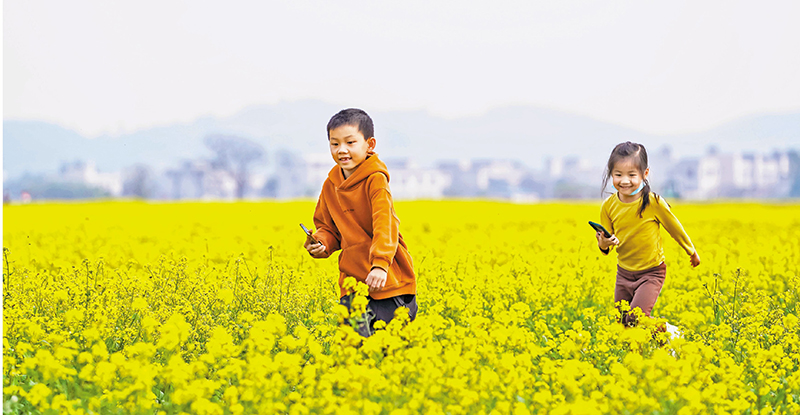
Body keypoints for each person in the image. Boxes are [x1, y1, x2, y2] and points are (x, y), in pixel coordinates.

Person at [304, 108, 417, 336]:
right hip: (352, 282)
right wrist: (321, 243)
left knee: (388, 351)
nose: (342, 150)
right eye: (334, 144)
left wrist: (380, 264)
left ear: (370, 144)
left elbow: (385, 224)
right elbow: (327, 227)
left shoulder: (375, 180)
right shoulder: (330, 185)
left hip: (387, 280)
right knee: (354, 350)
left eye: (350, 142)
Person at [595, 142, 700, 331]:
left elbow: (674, 227)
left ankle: (669, 332)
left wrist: (691, 251)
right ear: (611, 174)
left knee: (636, 319)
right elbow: (606, 246)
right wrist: (603, 243)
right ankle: (642, 356)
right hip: (624, 273)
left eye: (631, 175)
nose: (624, 180)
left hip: (651, 272)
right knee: (623, 326)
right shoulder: (608, 206)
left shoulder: (653, 202)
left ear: (645, 174)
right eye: (618, 175)